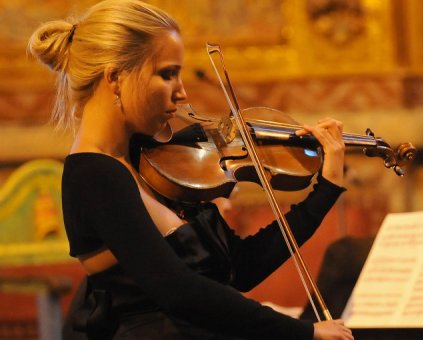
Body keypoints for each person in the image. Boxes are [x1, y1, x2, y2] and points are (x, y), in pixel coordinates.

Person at [27, 0, 353, 339]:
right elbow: (180, 291)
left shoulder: (151, 164)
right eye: (167, 74)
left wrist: (326, 189)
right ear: (115, 78)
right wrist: (304, 332)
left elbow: (242, 267)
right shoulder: (93, 174)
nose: (182, 93)